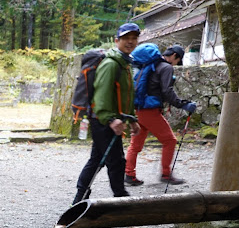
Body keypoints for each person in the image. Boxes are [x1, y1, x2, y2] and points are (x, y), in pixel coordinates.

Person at [72, 23, 142, 205]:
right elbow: (101, 94)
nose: (130, 42)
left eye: (134, 38)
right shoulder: (111, 64)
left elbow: (125, 96)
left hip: (110, 120)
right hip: (103, 121)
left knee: (101, 159)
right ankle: (117, 197)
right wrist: (110, 119)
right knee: (113, 161)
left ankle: (82, 198)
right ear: (116, 40)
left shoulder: (125, 63)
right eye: (126, 38)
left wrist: (132, 119)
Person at [124, 45, 197, 186]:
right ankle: (165, 174)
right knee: (170, 140)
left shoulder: (151, 65)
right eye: (178, 60)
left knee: (135, 144)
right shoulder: (166, 68)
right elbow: (167, 91)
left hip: (138, 109)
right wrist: (183, 104)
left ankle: (129, 175)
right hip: (150, 111)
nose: (176, 64)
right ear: (175, 55)